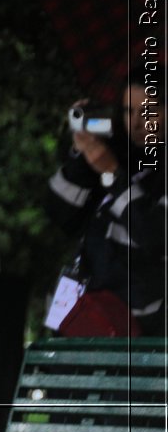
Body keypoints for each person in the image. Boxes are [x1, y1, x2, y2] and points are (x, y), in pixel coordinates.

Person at [46, 71, 165, 335]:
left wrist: (111, 174)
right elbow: (59, 215)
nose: (136, 123)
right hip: (79, 299)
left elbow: (152, 235)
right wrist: (82, 152)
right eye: (127, 111)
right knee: (58, 366)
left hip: (135, 326)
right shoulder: (118, 154)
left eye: (149, 112)